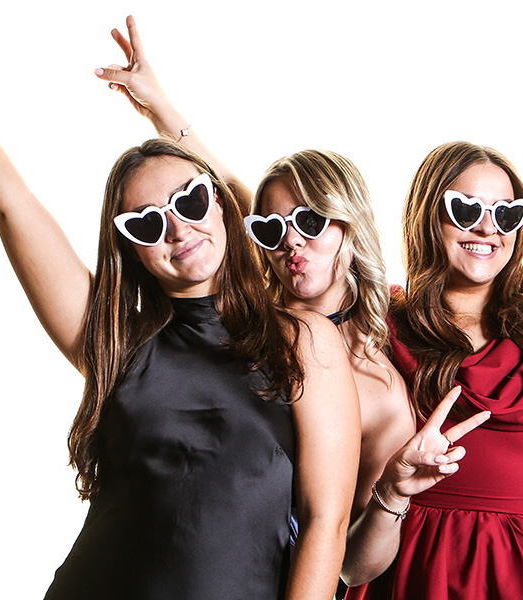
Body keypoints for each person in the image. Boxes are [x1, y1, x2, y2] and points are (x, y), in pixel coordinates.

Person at [0, 108, 360, 599]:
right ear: (131, 248)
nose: (178, 230)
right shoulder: (113, 342)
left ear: (221, 203)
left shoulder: (302, 339)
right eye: (148, 224)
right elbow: (10, 199)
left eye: (191, 201)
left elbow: (328, 519)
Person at [93, 15, 417, 543]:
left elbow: (349, 549)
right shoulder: (242, 324)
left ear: (349, 225)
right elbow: (216, 192)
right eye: (271, 228)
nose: (291, 240)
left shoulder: (379, 387)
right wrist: (158, 104)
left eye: (311, 222)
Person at [343, 141, 523, 599]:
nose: (487, 227)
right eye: (465, 209)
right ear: (428, 214)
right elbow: (292, 231)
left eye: (506, 214)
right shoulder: (379, 326)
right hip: (409, 570)